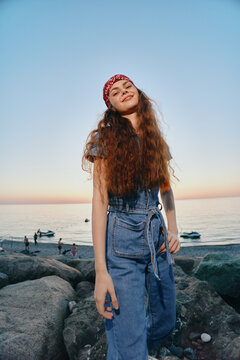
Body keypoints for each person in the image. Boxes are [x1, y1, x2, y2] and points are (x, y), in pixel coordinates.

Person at [82, 74, 181, 360]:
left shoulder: (154, 139)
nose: (124, 91)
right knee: (129, 342)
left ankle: (128, 346)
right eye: (115, 91)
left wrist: (173, 229)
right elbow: (100, 203)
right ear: (110, 105)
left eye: (128, 87)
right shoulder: (106, 139)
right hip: (120, 242)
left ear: (139, 93)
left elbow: (167, 191)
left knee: (165, 322)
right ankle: (128, 350)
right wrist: (101, 271)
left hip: (157, 237)